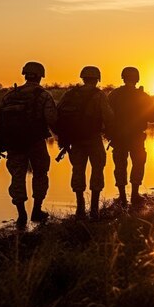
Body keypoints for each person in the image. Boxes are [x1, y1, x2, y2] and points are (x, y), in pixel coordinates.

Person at [0, 61, 57, 228]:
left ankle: (21, 215)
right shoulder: (44, 95)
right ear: (41, 76)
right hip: (36, 142)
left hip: (14, 144)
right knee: (40, 174)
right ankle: (37, 210)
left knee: (17, 177)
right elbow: (53, 120)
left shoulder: (10, 96)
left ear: (25, 74)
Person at [56, 66, 114, 220]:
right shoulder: (99, 95)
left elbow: (57, 114)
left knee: (77, 170)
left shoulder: (70, 94)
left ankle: (80, 207)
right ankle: (94, 209)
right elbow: (108, 117)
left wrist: (64, 137)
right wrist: (111, 133)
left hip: (75, 141)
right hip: (94, 139)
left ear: (83, 78)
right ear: (97, 79)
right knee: (97, 169)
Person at [108, 67, 154, 206]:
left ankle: (122, 197)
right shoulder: (143, 96)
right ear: (137, 79)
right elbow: (153, 117)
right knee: (138, 163)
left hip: (118, 138)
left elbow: (106, 116)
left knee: (120, 165)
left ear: (123, 77)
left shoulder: (114, 95)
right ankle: (134, 195)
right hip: (136, 137)